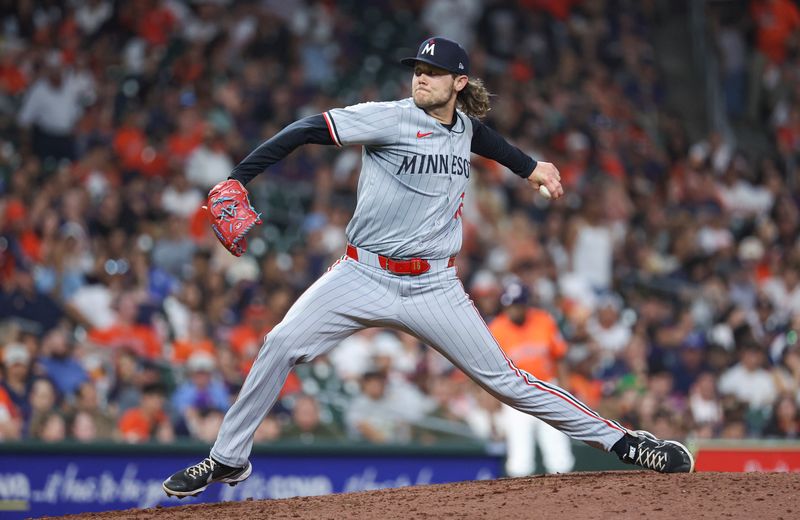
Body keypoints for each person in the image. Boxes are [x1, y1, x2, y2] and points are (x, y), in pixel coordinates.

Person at [163, 36, 694, 499]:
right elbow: (306, 128)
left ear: (459, 82)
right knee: (279, 343)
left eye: (434, 72)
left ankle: (625, 443)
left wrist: (533, 168)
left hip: (432, 285)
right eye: (418, 69)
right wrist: (237, 178)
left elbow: (489, 143)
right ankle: (229, 457)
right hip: (361, 274)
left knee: (509, 383)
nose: (422, 76)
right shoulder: (390, 116)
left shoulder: (464, 129)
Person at [489, 281, 575, 475]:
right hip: (515, 393)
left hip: (547, 388)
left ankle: (566, 497)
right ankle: (522, 502)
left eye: (517, 304)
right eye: (509, 305)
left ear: (526, 304)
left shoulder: (544, 320)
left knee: (558, 454)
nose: (513, 309)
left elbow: (559, 357)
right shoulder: (496, 328)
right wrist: (493, 407)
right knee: (519, 460)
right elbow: (490, 372)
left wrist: (565, 391)